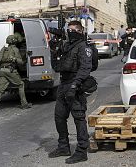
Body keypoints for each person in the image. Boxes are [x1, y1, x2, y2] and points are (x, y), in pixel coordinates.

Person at [48, 21, 92, 164]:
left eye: (73, 30)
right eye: (68, 30)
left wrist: (75, 85)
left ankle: (81, 151)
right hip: (63, 84)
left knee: (79, 118)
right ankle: (63, 147)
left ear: (79, 31)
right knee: (59, 117)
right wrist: (54, 51)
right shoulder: (66, 46)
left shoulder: (83, 47)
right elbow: (57, 66)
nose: (70, 32)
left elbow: (85, 68)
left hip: (75, 85)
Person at [0, 35, 31, 113]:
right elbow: (20, 62)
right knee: (21, 84)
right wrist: (27, 57)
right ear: (14, 41)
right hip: (10, 71)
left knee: (0, 90)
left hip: (2, 70)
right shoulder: (15, 49)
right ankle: (24, 104)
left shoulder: (4, 49)